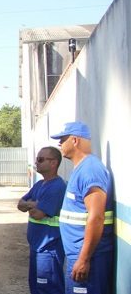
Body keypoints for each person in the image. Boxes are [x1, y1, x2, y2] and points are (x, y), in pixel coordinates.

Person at [50, 122, 115, 294]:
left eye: (62, 140)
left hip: (89, 259)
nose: (59, 144)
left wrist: (84, 259)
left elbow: (96, 217)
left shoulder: (90, 170)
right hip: (78, 255)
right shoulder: (81, 169)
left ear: (75, 140)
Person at [17, 146, 67, 294]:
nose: (36, 162)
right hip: (37, 248)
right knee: (37, 287)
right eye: (37, 159)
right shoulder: (39, 184)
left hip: (49, 249)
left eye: (40, 159)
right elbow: (20, 204)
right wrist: (34, 204)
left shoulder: (57, 186)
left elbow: (37, 214)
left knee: (48, 288)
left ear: (53, 163)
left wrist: (32, 205)